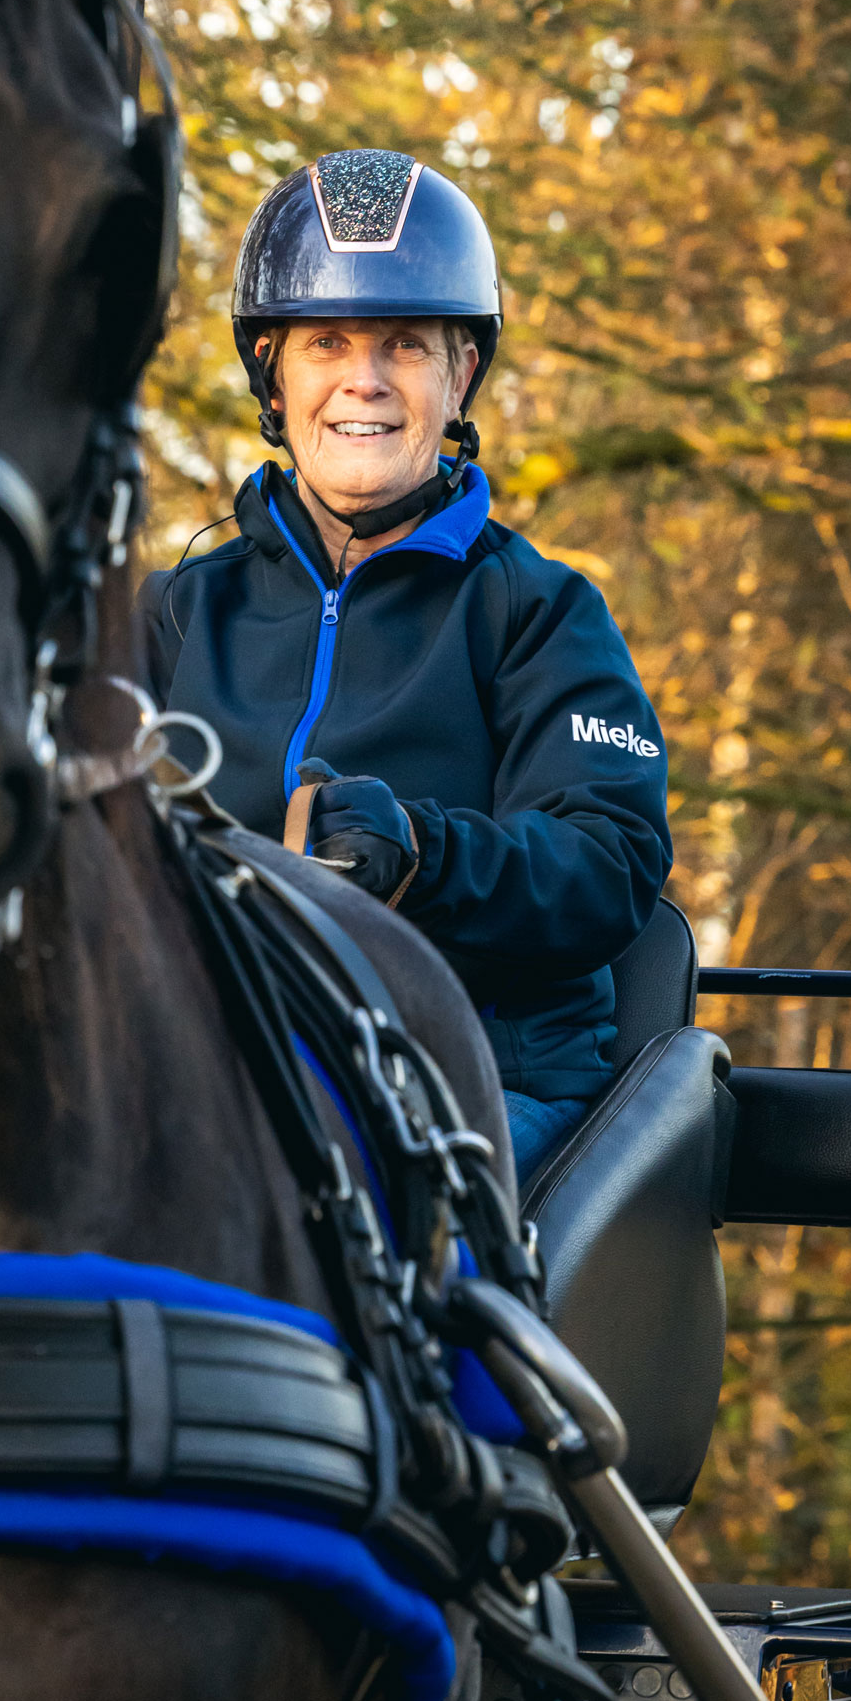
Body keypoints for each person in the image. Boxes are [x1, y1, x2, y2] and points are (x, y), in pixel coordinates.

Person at [136, 148, 672, 1181]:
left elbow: (612, 864)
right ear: (273, 375)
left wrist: (423, 857)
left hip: (472, 1076)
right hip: (212, 1059)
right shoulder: (175, 610)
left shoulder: (538, 610)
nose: (364, 380)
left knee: (306, 1193)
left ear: (459, 372)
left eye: (405, 345)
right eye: (327, 341)